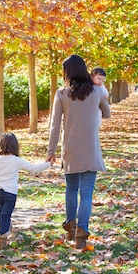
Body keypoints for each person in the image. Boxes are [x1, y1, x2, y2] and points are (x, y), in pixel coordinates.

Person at [47, 55, 110, 250]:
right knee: (87, 193)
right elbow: (107, 113)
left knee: (71, 190)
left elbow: (54, 126)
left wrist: (51, 151)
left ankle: (70, 229)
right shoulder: (96, 91)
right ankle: (81, 237)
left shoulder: (61, 93)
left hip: (70, 149)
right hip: (91, 149)